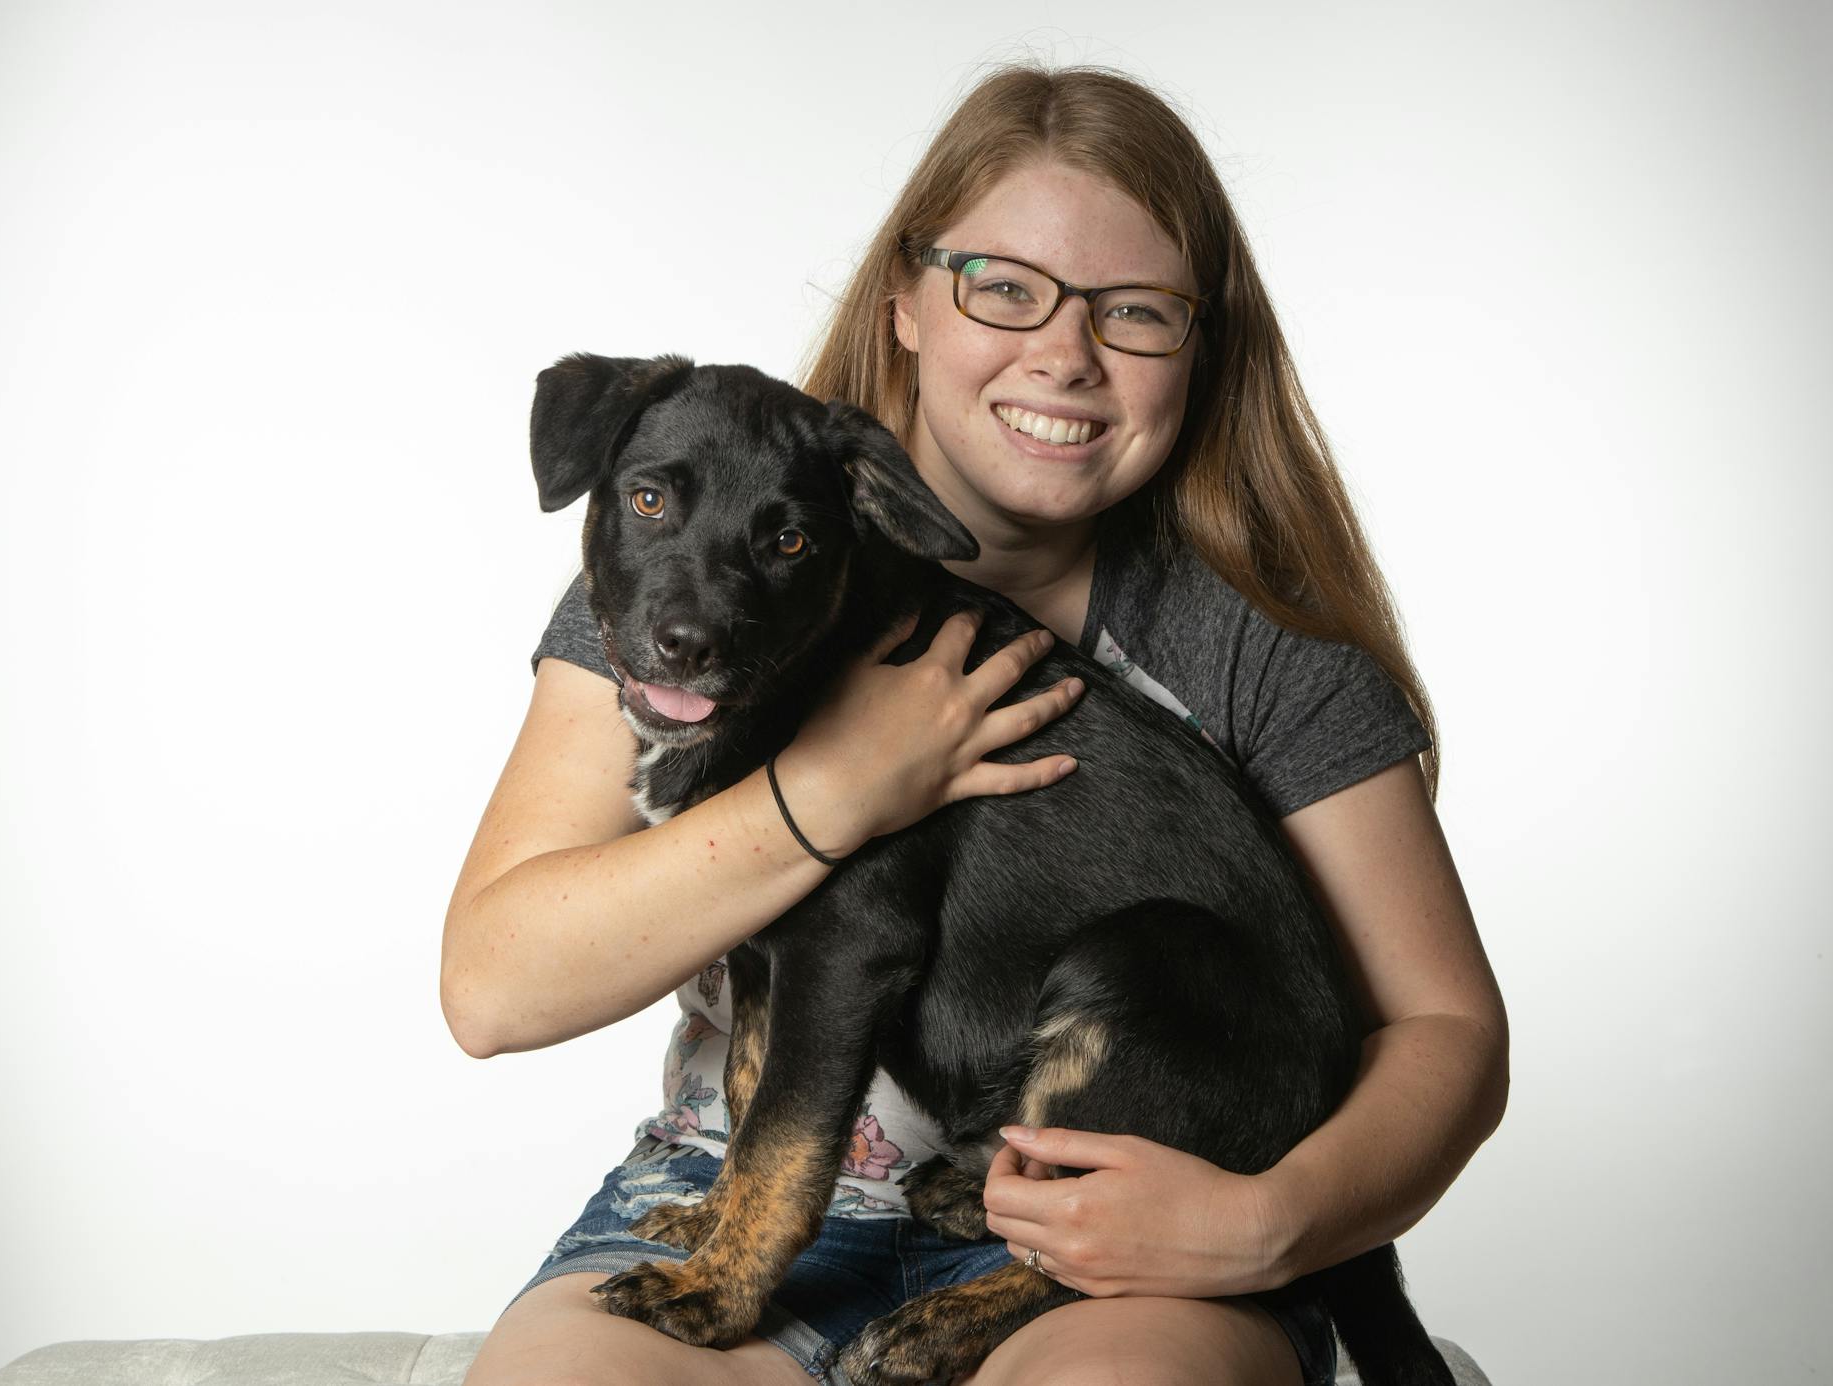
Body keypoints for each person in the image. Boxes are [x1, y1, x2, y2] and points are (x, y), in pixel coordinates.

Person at [444, 64, 1507, 1386]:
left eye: (1136, 313)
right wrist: (835, 790)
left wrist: (1264, 1223)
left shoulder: (1256, 647)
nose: (1063, 351)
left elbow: (1448, 1031)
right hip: (734, 1185)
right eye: (1004, 286)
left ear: (1202, 345)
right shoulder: (684, 596)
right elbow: (490, 989)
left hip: (1130, 1220)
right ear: (902, 298)